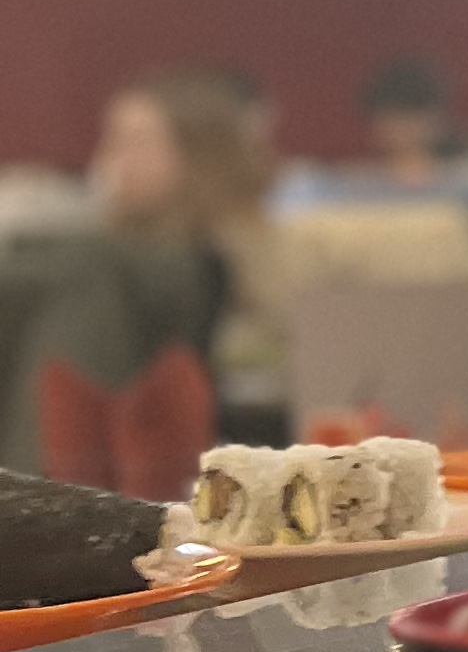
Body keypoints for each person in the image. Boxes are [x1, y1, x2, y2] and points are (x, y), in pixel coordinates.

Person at [8, 70, 272, 490]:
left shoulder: (201, 254)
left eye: (138, 141)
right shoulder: (107, 249)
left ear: (201, 152)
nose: (115, 157)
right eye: (113, 140)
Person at [360, 53, 459, 176]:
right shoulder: (358, 181)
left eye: (413, 120)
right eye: (394, 120)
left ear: (437, 119)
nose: (404, 130)